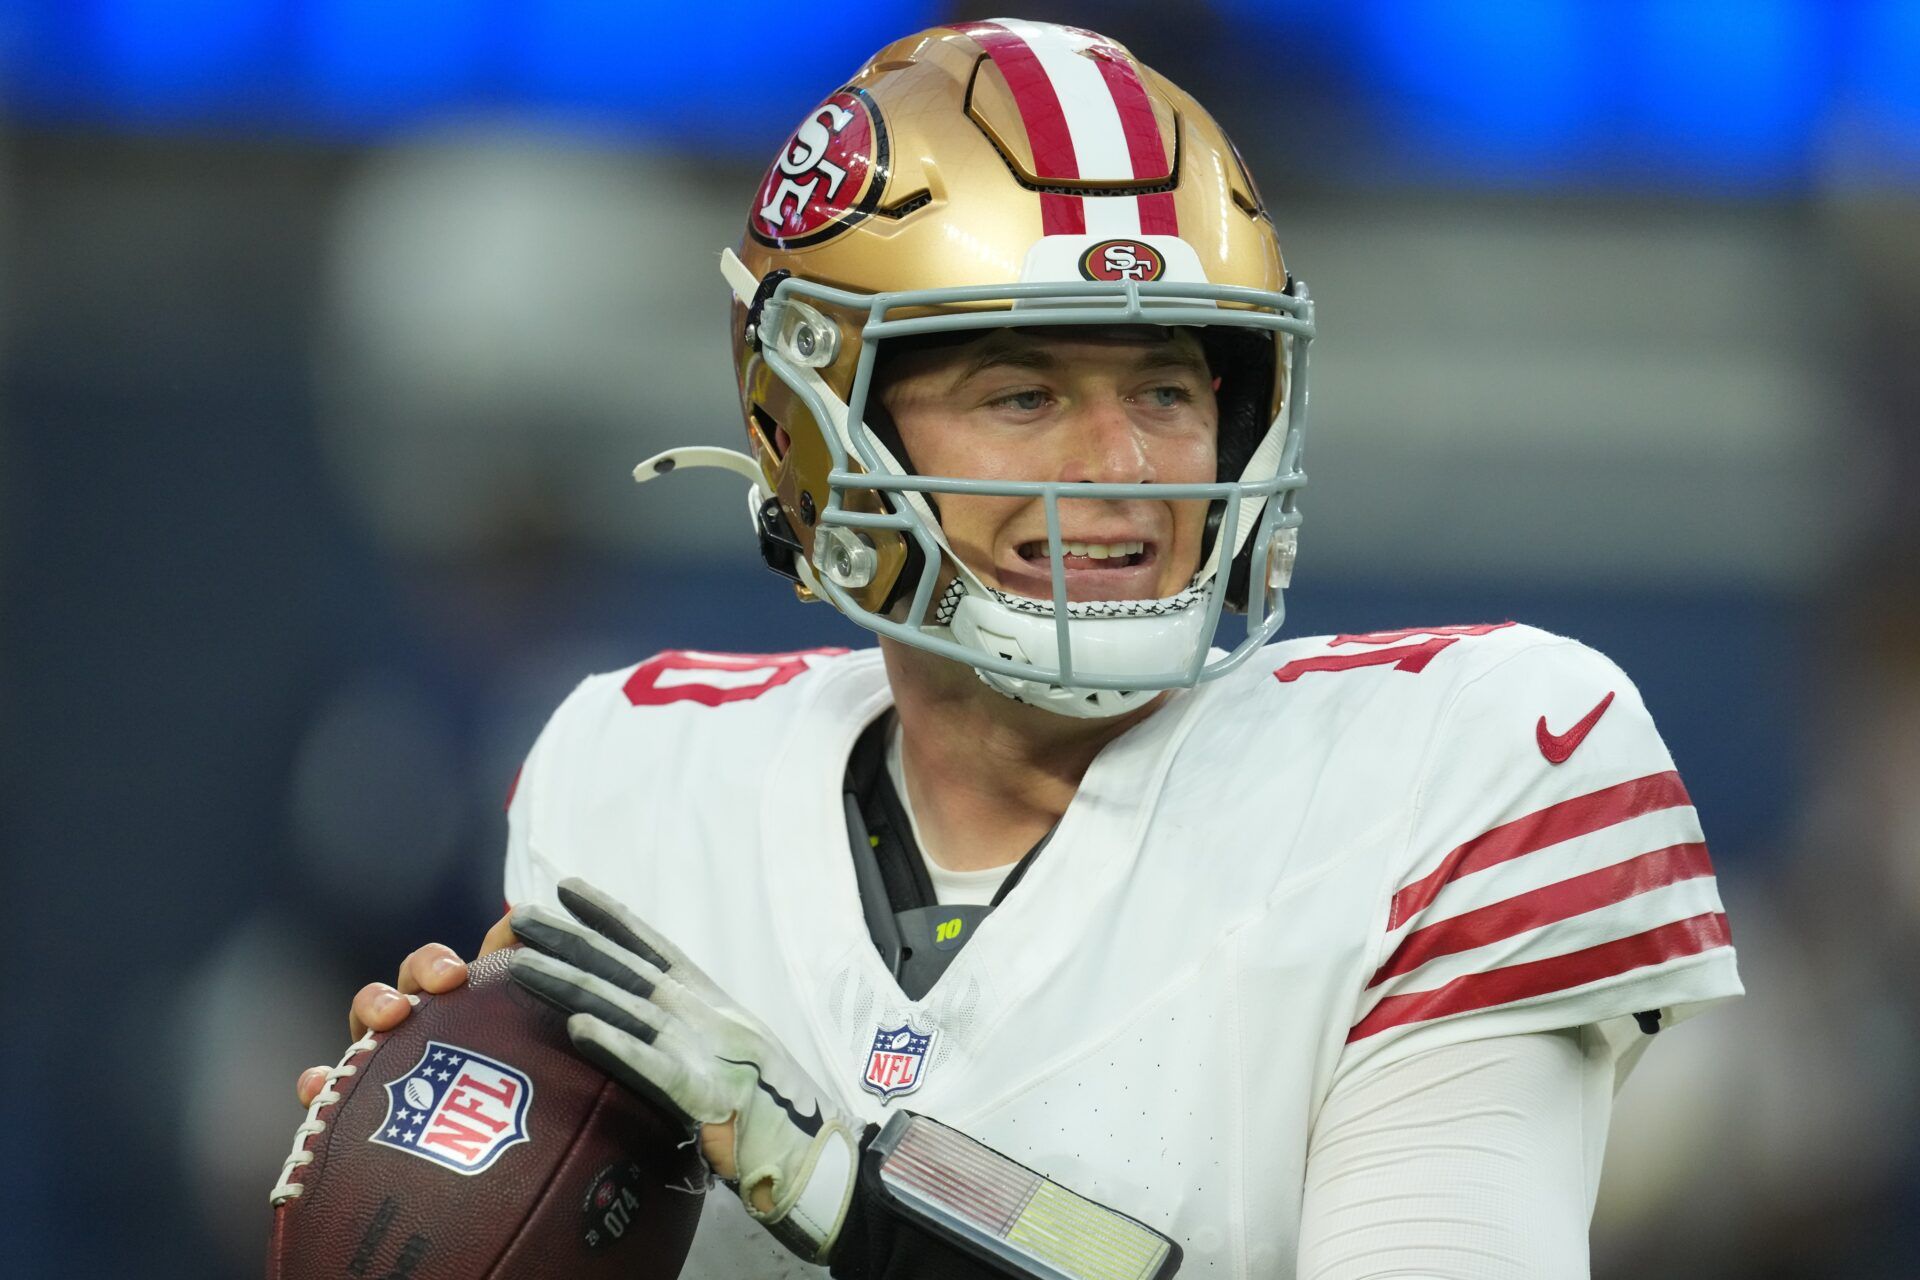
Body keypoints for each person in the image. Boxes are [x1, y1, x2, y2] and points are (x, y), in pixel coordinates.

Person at [295, 18, 1742, 1279]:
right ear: (818, 427)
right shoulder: (636, 784)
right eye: (1021, 392)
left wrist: (849, 1187)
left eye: (1169, 385)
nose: (1124, 467)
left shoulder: (1469, 771)